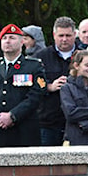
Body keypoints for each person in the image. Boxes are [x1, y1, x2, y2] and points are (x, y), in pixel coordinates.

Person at [0, 24, 45, 147]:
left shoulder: (34, 66)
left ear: (22, 42)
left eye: (12, 38)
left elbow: (36, 95)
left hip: (24, 129)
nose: (7, 41)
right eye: (4, 38)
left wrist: (13, 115)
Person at [34, 17, 77, 145]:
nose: (64, 39)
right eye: (61, 35)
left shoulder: (84, 56)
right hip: (49, 120)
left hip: (76, 121)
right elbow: (36, 82)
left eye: (68, 35)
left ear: (75, 35)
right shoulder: (42, 56)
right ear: (54, 35)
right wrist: (49, 86)